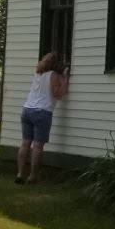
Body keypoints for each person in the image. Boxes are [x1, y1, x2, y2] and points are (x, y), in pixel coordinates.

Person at [16, 51, 68, 184]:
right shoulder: (53, 75)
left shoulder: (38, 73)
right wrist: (65, 81)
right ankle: (32, 177)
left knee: (25, 143)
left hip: (27, 109)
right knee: (38, 146)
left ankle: (20, 173)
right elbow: (57, 94)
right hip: (42, 112)